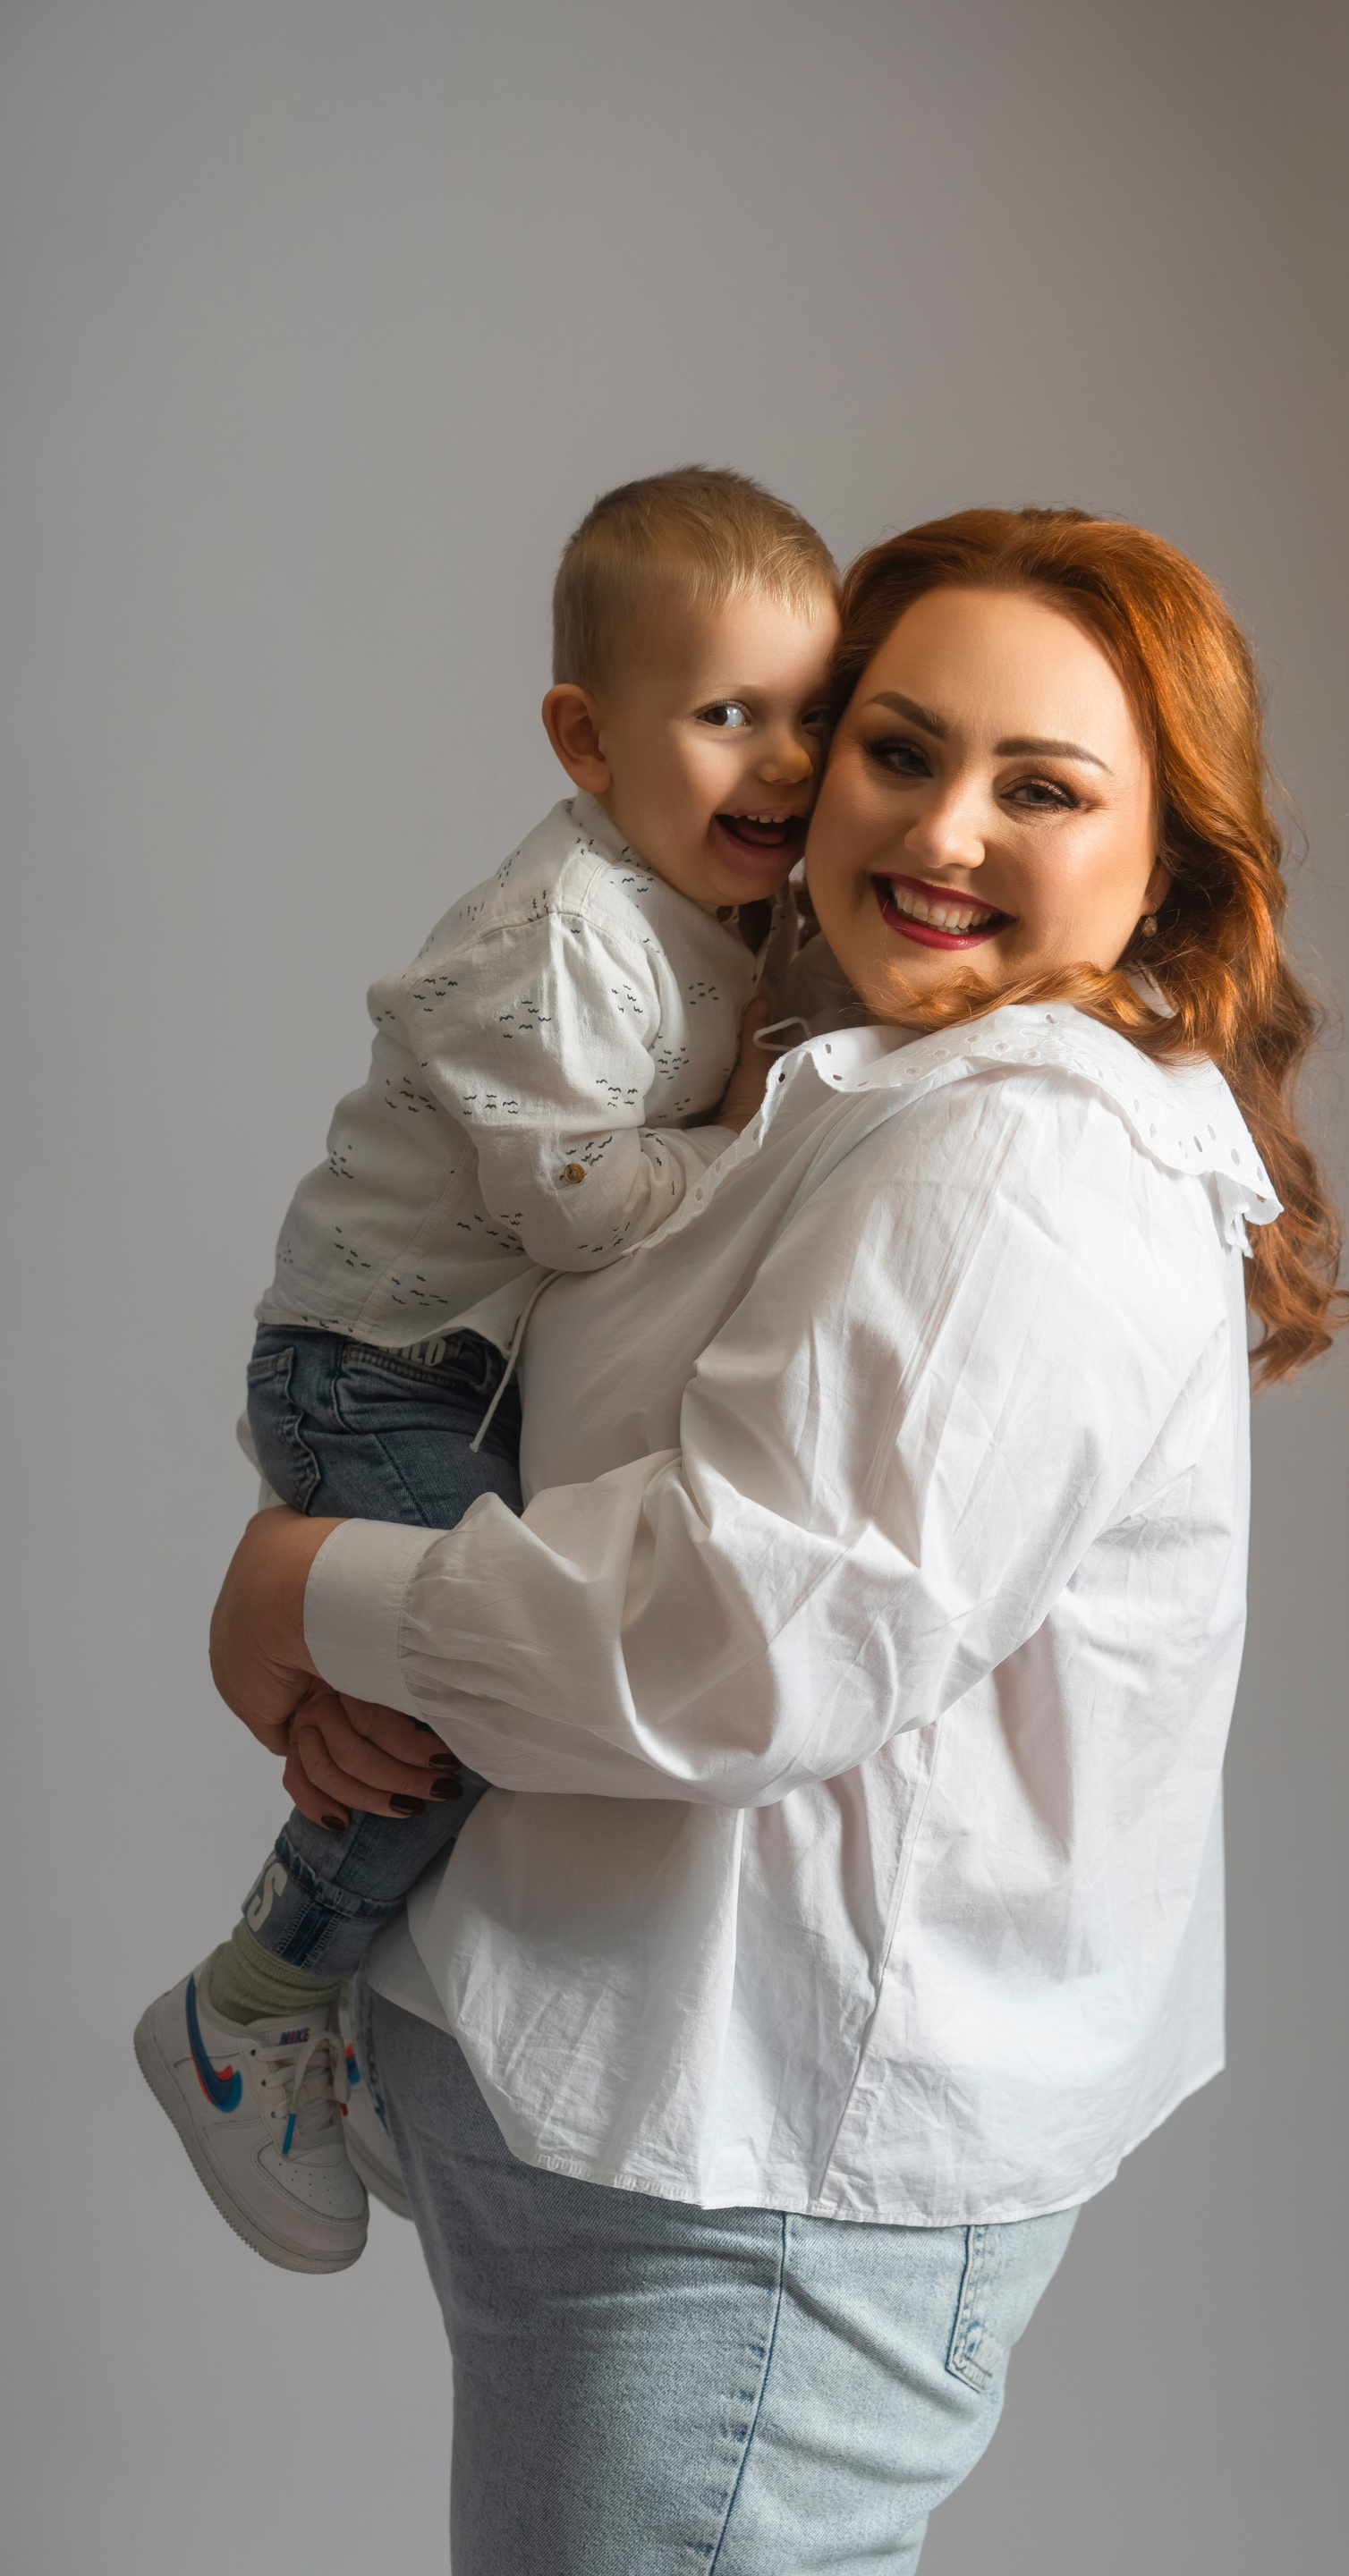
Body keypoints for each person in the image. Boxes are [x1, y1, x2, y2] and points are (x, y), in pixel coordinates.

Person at [207, 506, 1349, 2572]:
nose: (943, 829)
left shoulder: (1020, 1154)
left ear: (1170, 860)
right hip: (625, 2101)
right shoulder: (867, 1082)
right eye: (896, 749)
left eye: (1042, 787)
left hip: (741, 2182)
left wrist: (307, 1591)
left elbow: (727, 1645)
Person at [133, 464, 840, 2274]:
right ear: (587, 738)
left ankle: (353, 2005)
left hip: (461, 1372)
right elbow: (574, 1203)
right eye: (727, 715)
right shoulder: (565, 936)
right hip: (378, 1366)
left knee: (454, 1698)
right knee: (473, 1679)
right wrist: (756, 1136)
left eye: (811, 717)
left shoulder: (726, 903)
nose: (782, 762)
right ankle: (252, 2000)